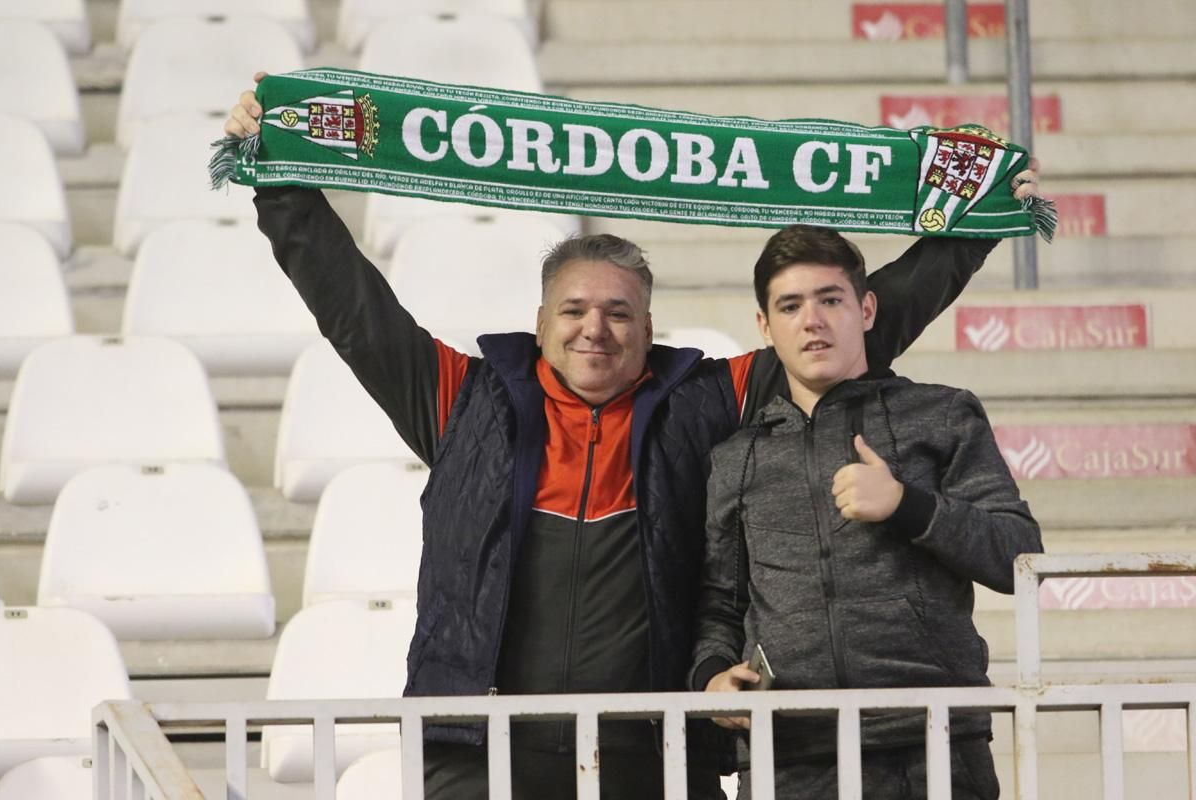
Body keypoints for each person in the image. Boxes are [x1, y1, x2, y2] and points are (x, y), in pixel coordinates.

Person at [224, 78, 1043, 799]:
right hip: (477, 754)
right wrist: (280, 183)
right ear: (539, 322)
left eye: (619, 313)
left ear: (649, 328)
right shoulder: (461, 400)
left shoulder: (700, 401)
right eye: (574, 311)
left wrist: (974, 223)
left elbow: (848, 325)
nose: (595, 330)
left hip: (653, 754)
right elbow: (353, 308)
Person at [690, 225, 1044, 799]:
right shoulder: (736, 456)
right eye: (791, 305)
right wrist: (710, 672)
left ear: (867, 308)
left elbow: (1018, 556)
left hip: (934, 744)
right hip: (790, 759)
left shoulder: (942, 413)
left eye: (831, 299)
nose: (813, 320)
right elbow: (719, 601)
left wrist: (909, 505)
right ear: (765, 325)